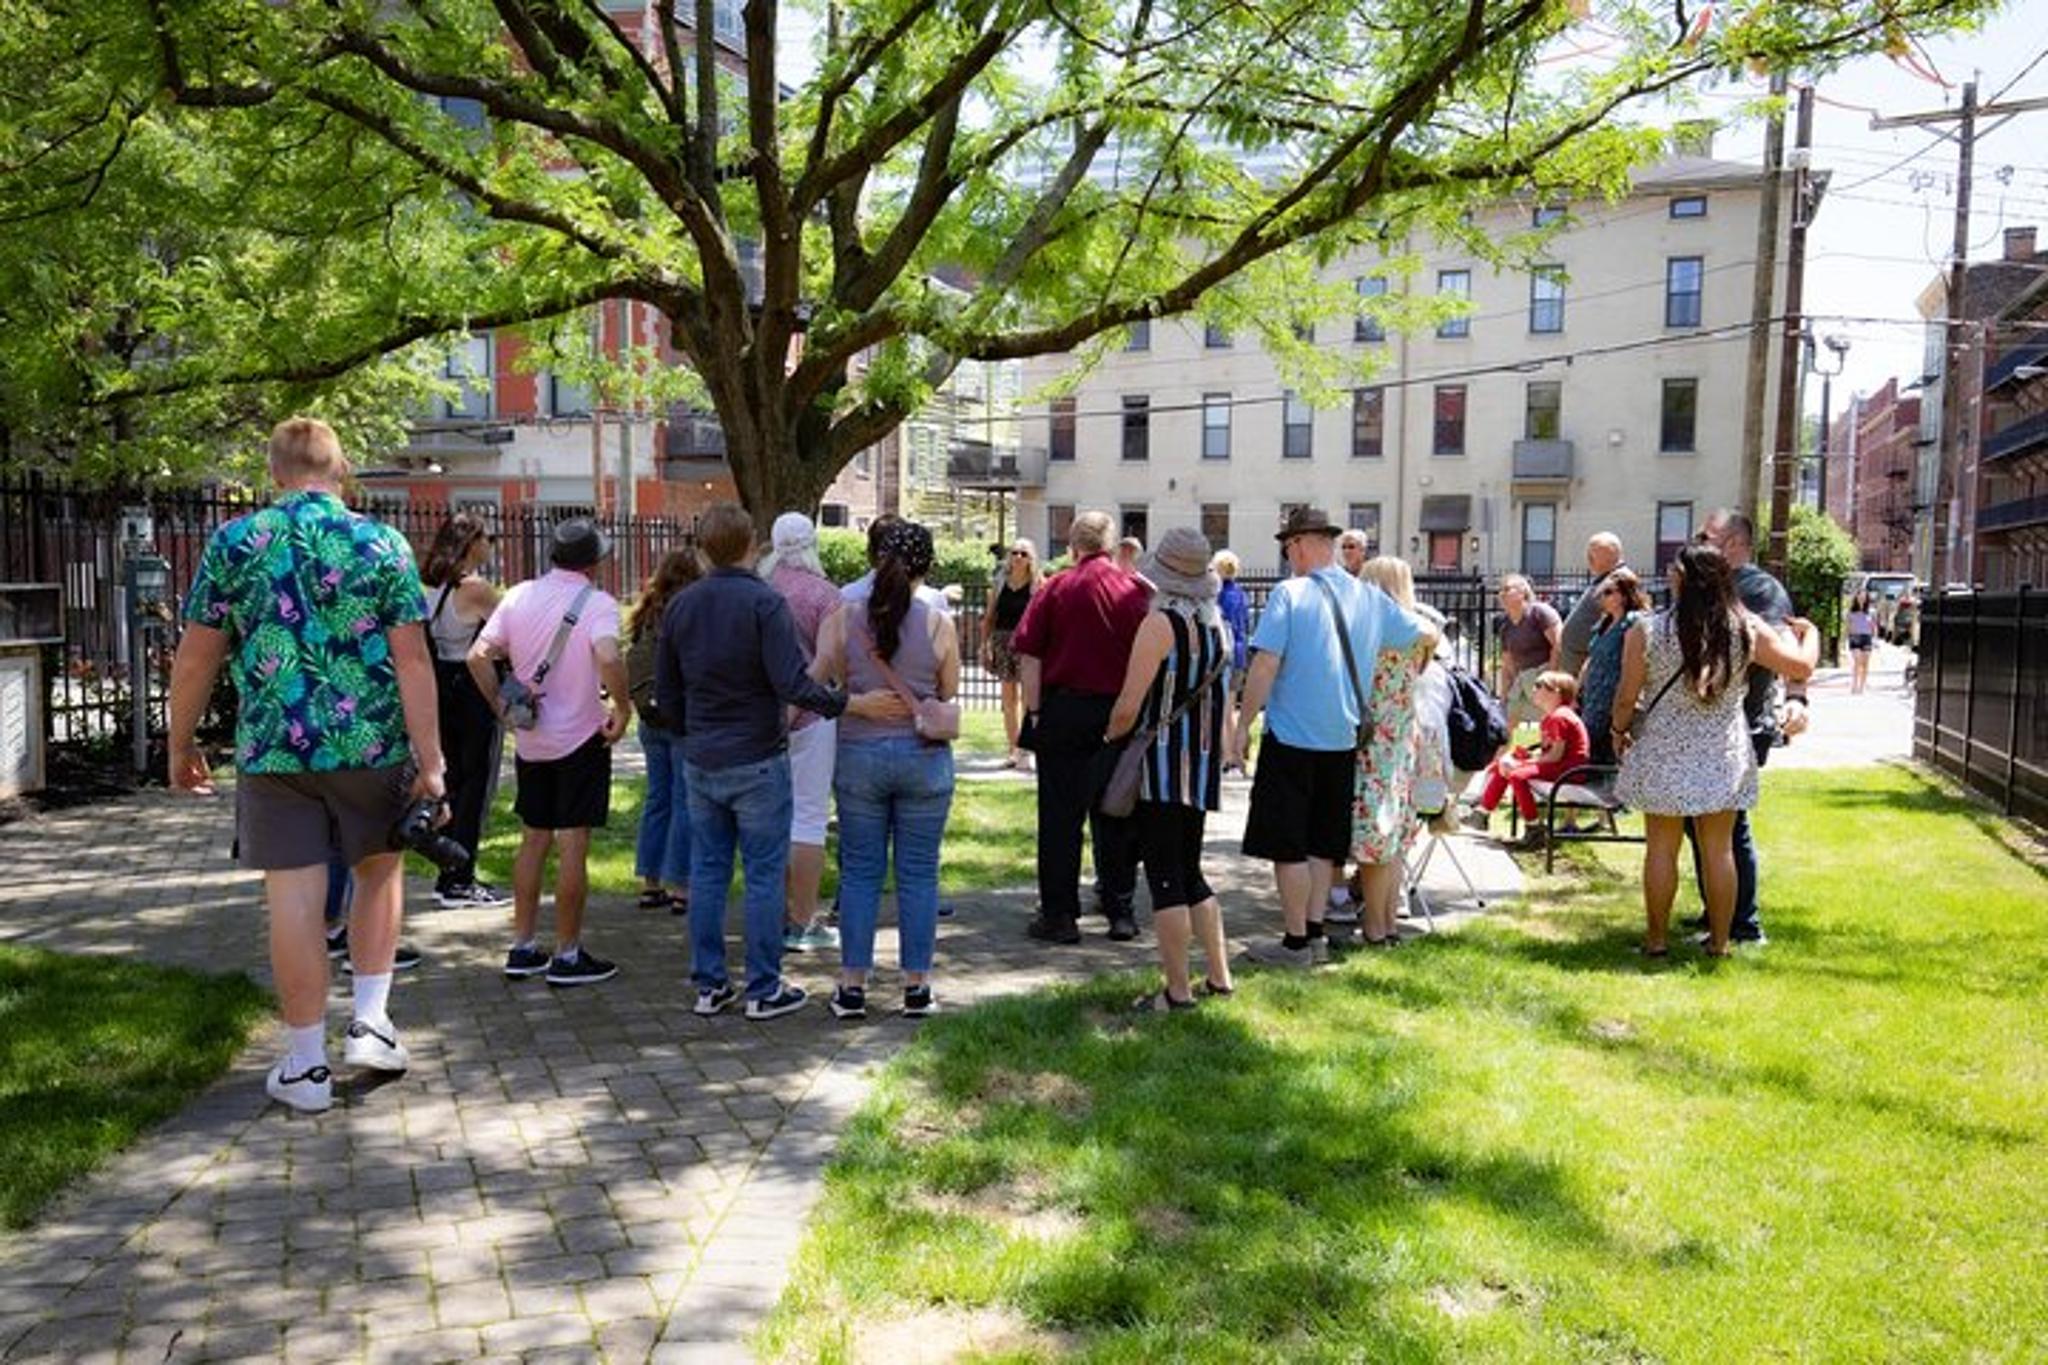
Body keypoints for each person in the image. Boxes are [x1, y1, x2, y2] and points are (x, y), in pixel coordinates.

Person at [168, 416, 442, 1114]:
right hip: (371, 744)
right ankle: (371, 1024)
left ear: (274, 473)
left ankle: (305, 1064)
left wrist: (180, 742)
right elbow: (413, 659)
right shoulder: (382, 543)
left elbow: (196, 657)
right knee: (377, 873)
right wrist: (432, 758)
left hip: (275, 749)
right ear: (341, 469)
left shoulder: (236, 542)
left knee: (293, 898)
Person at [655, 502, 849, 1021]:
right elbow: (791, 682)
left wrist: (689, 733)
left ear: (704, 547)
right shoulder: (764, 603)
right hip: (758, 755)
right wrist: (840, 703)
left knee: (708, 870)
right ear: (750, 544)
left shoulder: (681, 605)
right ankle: (763, 987)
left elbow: (667, 691)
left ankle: (710, 983)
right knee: (763, 874)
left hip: (703, 756)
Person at [1233, 508, 1435, 969]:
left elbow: (1265, 664)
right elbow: (1422, 632)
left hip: (1291, 736)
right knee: (1323, 846)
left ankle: (1295, 942)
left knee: (1287, 846)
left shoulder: (1290, 593)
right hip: (1343, 740)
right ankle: (1315, 935)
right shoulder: (1369, 597)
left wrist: (1243, 725)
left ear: (1302, 544)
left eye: (1288, 547)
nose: (1288, 557)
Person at [1612, 543, 1817, 957]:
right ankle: (1720, 945)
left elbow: (1626, 697)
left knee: (1661, 849)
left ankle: (1656, 942)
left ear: (1680, 580)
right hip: (1723, 752)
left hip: (1664, 749)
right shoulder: (1746, 628)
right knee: (1719, 850)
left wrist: (1618, 730)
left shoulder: (1647, 631)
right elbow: (1801, 667)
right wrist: (1810, 633)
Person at [469, 518, 630, 987]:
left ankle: (522, 946)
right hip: (581, 736)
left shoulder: (519, 595)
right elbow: (609, 656)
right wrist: (623, 707)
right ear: (594, 562)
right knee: (573, 841)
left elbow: (478, 655)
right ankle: (567, 953)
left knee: (533, 839)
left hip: (532, 737)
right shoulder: (598, 603)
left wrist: (501, 705)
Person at [812, 520, 959, 1019]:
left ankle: (852, 985)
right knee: (919, 873)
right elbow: (948, 689)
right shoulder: (939, 623)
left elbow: (825, 682)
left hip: (859, 755)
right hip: (923, 759)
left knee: (859, 872)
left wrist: (858, 700)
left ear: (875, 560)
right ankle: (917, 987)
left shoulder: (843, 619)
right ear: (926, 566)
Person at [1107, 527, 1234, 1010]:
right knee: (1192, 871)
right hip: (1199, 767)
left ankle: (1177, 991)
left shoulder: (1158, 625)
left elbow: (1128, 706)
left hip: (1159, 766)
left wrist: (1108, 738)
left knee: (1165, 879)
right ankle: (1220, 977)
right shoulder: (1218, 626)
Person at [1012, 510, 1152, 944]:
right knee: (1117, 810)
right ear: (1111, 545)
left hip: (1063, 709)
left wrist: (1035, 711)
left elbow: (1030, 655)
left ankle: (1060, 915)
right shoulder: (1134, 592)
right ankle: (1120, 910)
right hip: (1119, 712)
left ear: (1073, 545)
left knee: (1059, 817)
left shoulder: (1056, 587)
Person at [1693, 509, 1811, 946]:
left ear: (1734, 544)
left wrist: (1797, 698)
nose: (1698, 544)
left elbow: (1788, 643)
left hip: (1741, 721)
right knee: (1700, 821)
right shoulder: (1711, 586)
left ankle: (1742, 924)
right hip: (1705, 721)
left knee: (1728, 825)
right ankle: (1717, 911)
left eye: (1706, 537)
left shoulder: (1759, 589)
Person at [761, 512, 844, 955]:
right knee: (809, 817)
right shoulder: (825, 594)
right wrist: (798, 702)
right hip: (811, 718)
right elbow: (828, 658)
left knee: (769, 818)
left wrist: (780, 709)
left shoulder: (761, 588)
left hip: (761, 717)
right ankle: (803, 920)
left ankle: (772, 913)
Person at [417, 513, 510, 909]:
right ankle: (460, 878)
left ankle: (449, 870)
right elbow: (512, 633)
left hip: (440, 684)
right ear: (471, 543)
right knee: (476, 784)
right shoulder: (476, 589)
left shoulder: (431, 585)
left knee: (453, 780)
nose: (491, 544)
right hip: (472, 687)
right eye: (487, 537)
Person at [1351, 556, 1440, 946]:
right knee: (1395, 839)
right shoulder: (1419, 633)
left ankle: (1374, 926)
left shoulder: (1370, 631)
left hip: (1373, 741)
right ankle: (1387, 923)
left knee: (1374, 838)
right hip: (1402, 738)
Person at [624, 547, 705, 915]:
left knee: (657, 799)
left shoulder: (647, 612)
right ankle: (681, 886)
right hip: (683, 716)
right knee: (684, 800)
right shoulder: (692, 612)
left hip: (650, 717)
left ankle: (651, 881)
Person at [1466, 671, 1590, 843]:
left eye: (1539, 685)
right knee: (1501, 766)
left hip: (1570, 770)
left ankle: (1534, 827)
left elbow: (1556, 755)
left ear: (1556, 692)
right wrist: (1526, 757)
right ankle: (1481, 815)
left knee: (1517, 775)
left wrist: (1522, 764)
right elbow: (1549, 752)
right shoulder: (1552, 716)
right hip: (1560, 767)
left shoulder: (1560, 717)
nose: (1533, 689)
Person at [1577, 567, 1651, 766]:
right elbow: (1591, 657)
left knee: (1610, 755)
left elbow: (1632, 662)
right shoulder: (1604, 623)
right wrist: (1578, 687)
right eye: (1601, 592)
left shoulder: (1633, 622)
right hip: (1593, 698)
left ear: (1625, 594)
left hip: (1613, 697)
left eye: (1609, 592)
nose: (1602, 597)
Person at [983, 539, 1041, 770]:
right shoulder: (999, 583)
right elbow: (989, 617)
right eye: (1014, 553)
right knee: (1008, 699)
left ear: (1031, 559)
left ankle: (1026, 749)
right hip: (1002, 641)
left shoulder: (1038, 584)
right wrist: (985, 646)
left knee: (1028, 698)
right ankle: (1012, 749)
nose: (1018, 557)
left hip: (1027, 644)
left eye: (1023, 554)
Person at [1554, 533, 1626, 678]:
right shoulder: (1604, 579)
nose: (1588, 558)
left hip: (1592, 669)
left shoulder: (1619, 581)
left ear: (1611, 553)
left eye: (1593, 552)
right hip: (1579, 667)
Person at [1496, 574, 1562, 729]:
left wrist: (1549, 679)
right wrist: (1504, 696)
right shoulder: (1505, 626)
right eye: (1500, 590)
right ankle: (1518, 745)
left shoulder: (1540, 613)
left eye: (1507, 589)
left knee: (1541, 725)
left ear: (1523, 592)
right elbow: (1507, 664)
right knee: (1512, 724)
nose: (1502, 594)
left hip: (1542, 677)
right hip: (1522, 681)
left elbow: (1558, 645)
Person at [1214, 550, 1252, 775]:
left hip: (1225, 655)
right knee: (1233, 708)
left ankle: (1229, 758)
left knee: (1224, 711)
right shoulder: (1241, 594)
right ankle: (1238, 756)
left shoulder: (1219, 596)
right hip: (1240, 654)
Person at [1845, 591, 1877, 694]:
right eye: (1860, 597)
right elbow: (1848, 626)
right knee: (1857, 660)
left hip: (1866, 637)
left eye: (1864, 597)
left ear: (1867, 599)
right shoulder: (1851, 612)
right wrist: (1848, 638)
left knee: (1865, 663)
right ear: (1857, 598)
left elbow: (1873, 626)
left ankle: (1862, 686)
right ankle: (1854, 684)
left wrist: (1875, 639)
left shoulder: (1871, 612)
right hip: (1855, 637)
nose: (1862, 599)